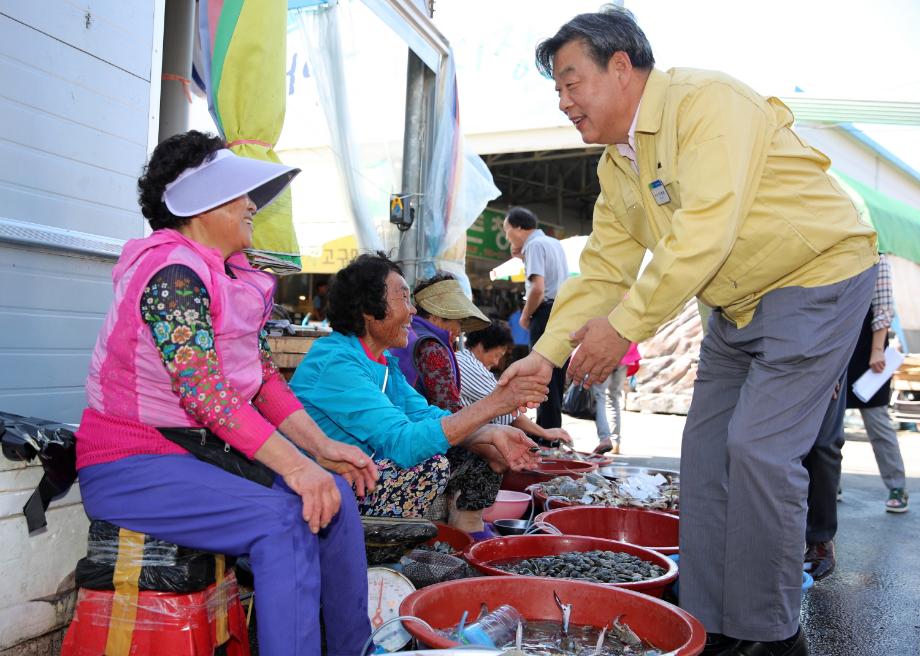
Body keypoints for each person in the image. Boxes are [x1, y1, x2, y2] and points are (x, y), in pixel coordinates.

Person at [499, 8, 878, 655]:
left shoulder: (707, 104)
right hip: (733, 305)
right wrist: (547, 354)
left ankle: (773, 636)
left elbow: (705, 230)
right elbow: (605, 268)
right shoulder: (617, 165)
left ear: (621, 67)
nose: (563, 102)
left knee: (758, 451)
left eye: (571, 82)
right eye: (557, 89)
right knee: (704, 458)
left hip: (815, 277)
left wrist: (623, 328)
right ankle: (713, 625)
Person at [73, 130, 379, 656]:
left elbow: (262, 380)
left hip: (195, 456)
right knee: (286, 520)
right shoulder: (172, 274)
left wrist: (322, 451)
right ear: (199, 204)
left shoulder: (231, 276)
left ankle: (355, 648)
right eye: (239, 194)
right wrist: (296, 467)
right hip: (131, 465)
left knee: (335, 496)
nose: (252, 205)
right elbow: (206, 394)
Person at [289, 253, 545, 522]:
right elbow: (403, 442)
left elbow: (425, 414)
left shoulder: (383, 361)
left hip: (353, 479)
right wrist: (495, 404)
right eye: (403, 298)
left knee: (463, 449)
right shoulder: (337, 363)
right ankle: (373, 547)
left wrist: (490, 432)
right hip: (314, 490)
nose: (412, 310)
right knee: (429, 466)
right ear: (368, 310)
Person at [389, 272, 530, 532]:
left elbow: (427, 409)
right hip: (417, 440)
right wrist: (487, 441)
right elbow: (449, 413)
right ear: (435, 316)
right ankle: (469, 527)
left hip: (415, 428)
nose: (459, 330)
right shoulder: (432, 348)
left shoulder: (411, 336)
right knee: (488, 459)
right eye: (455, 320)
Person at [804, 254, 909, 579]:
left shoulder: (877, 257)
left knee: (877, 424)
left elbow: (883, 308)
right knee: (828, 434)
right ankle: (831, 489)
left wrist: (878, 350)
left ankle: (897, 486)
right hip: (834, 348)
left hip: (869, 353)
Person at [502, 206, 569, 429]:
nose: (507, 237)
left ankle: (545, 433)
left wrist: (525, 315)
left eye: (507, 230)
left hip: (545, 312)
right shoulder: (553, 243)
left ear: (519, 228)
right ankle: (552, 430)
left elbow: (538, 288)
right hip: (561, 312)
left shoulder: (534, 245)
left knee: (541, 376)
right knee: (555, 376)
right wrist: (520, 255)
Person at [457, 321, 573, 447]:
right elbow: (507, 407)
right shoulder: (471, 367)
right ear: (480, 346)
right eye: (497, 355)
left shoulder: (462, 359)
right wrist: (545, 433)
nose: (496, 362)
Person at [592, 342, 641, 455]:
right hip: (626, 354)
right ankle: (615, 442)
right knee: (613, 398)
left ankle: (605, 439)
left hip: (605, 353)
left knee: (599, 396)